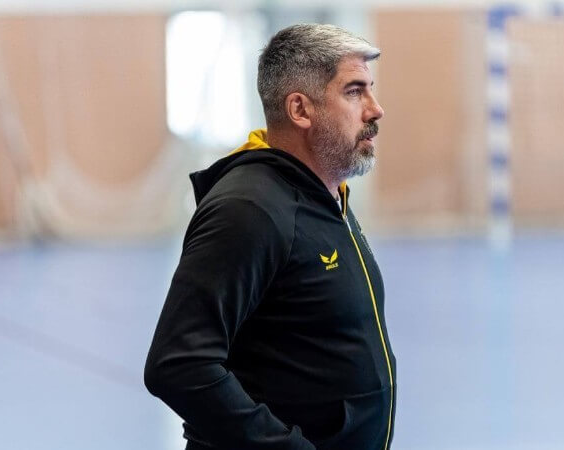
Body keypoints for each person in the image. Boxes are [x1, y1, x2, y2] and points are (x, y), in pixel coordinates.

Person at [144, 23, 396, 450]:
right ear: (300, 109)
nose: (375, 110)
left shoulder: (326, 195)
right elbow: (179, 363)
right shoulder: (250, 209)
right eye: (354, 92)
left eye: (370, 90)